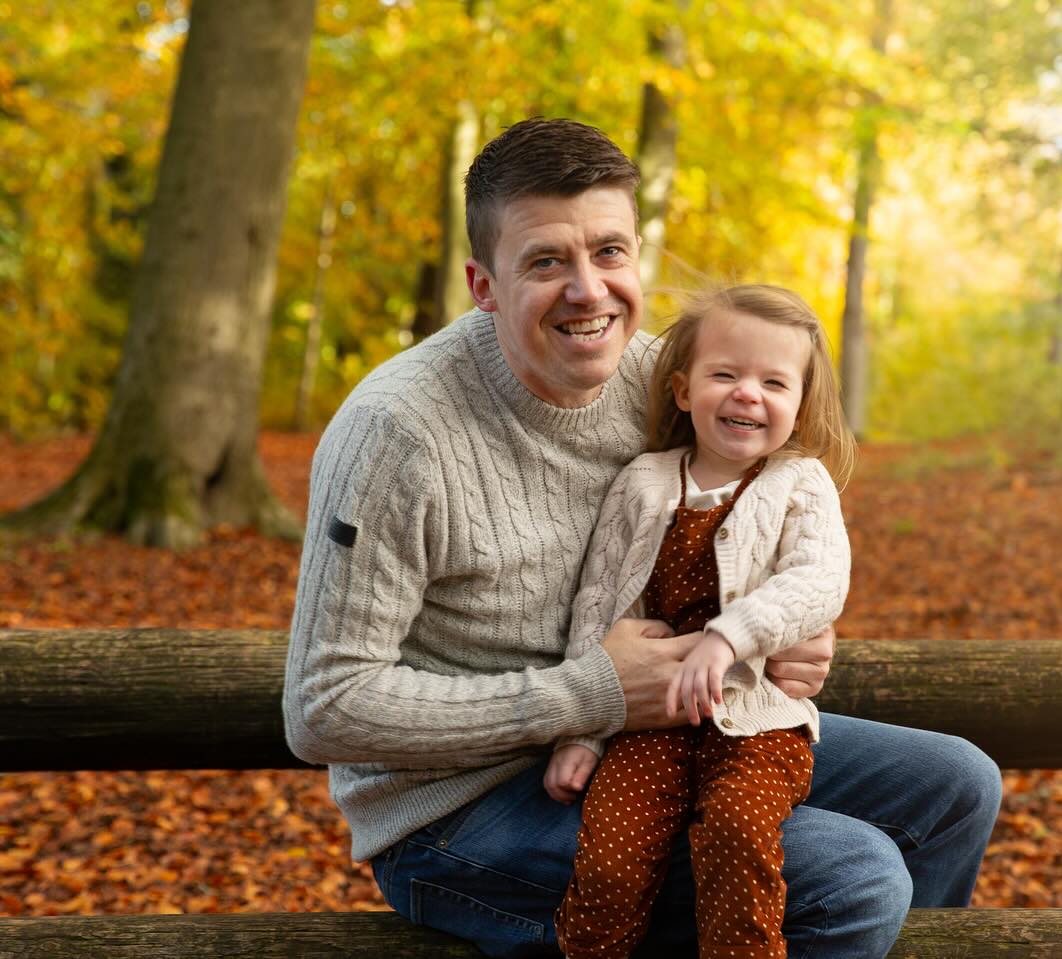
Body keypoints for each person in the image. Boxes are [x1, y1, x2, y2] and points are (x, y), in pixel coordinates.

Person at [283, 117, 1001, 959]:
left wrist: (785, 624)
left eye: (610, 252)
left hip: (675, 723)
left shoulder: (663, 377)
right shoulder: (397, 434)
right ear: (483, 284)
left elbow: (764, 502)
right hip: (462, 809)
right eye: (547, 261)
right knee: (854, 876)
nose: (589, 291)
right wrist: (589, 693)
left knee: (956, 786)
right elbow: (324, 706)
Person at [548, 285, 855, 958]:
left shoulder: (800, 483)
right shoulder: (642, 482)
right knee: (608, 863)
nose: (749, 393)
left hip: (756, 724)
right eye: (727, 374)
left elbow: (819, 579)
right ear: (684, 391)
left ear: (800, 403)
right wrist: (583, 730)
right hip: (647, 723)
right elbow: (600, 607)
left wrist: (728, 637)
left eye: (775, 382)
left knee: (737, 835)